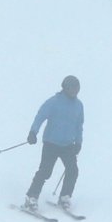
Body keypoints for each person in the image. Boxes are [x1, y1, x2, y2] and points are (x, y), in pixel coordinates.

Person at [23, 75, 84, 211]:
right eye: (72, 88)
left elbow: (79, 125)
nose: (75, 91)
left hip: (68, 145)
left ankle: (64, 197)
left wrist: (78, 142)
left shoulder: (79, 106)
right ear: (65, 88)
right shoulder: (54, 102)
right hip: (51, 143)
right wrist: (33, 132)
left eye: (77, 89)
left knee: (73, 170)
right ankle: (31, 197)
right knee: (45, 172)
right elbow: (40, 116)